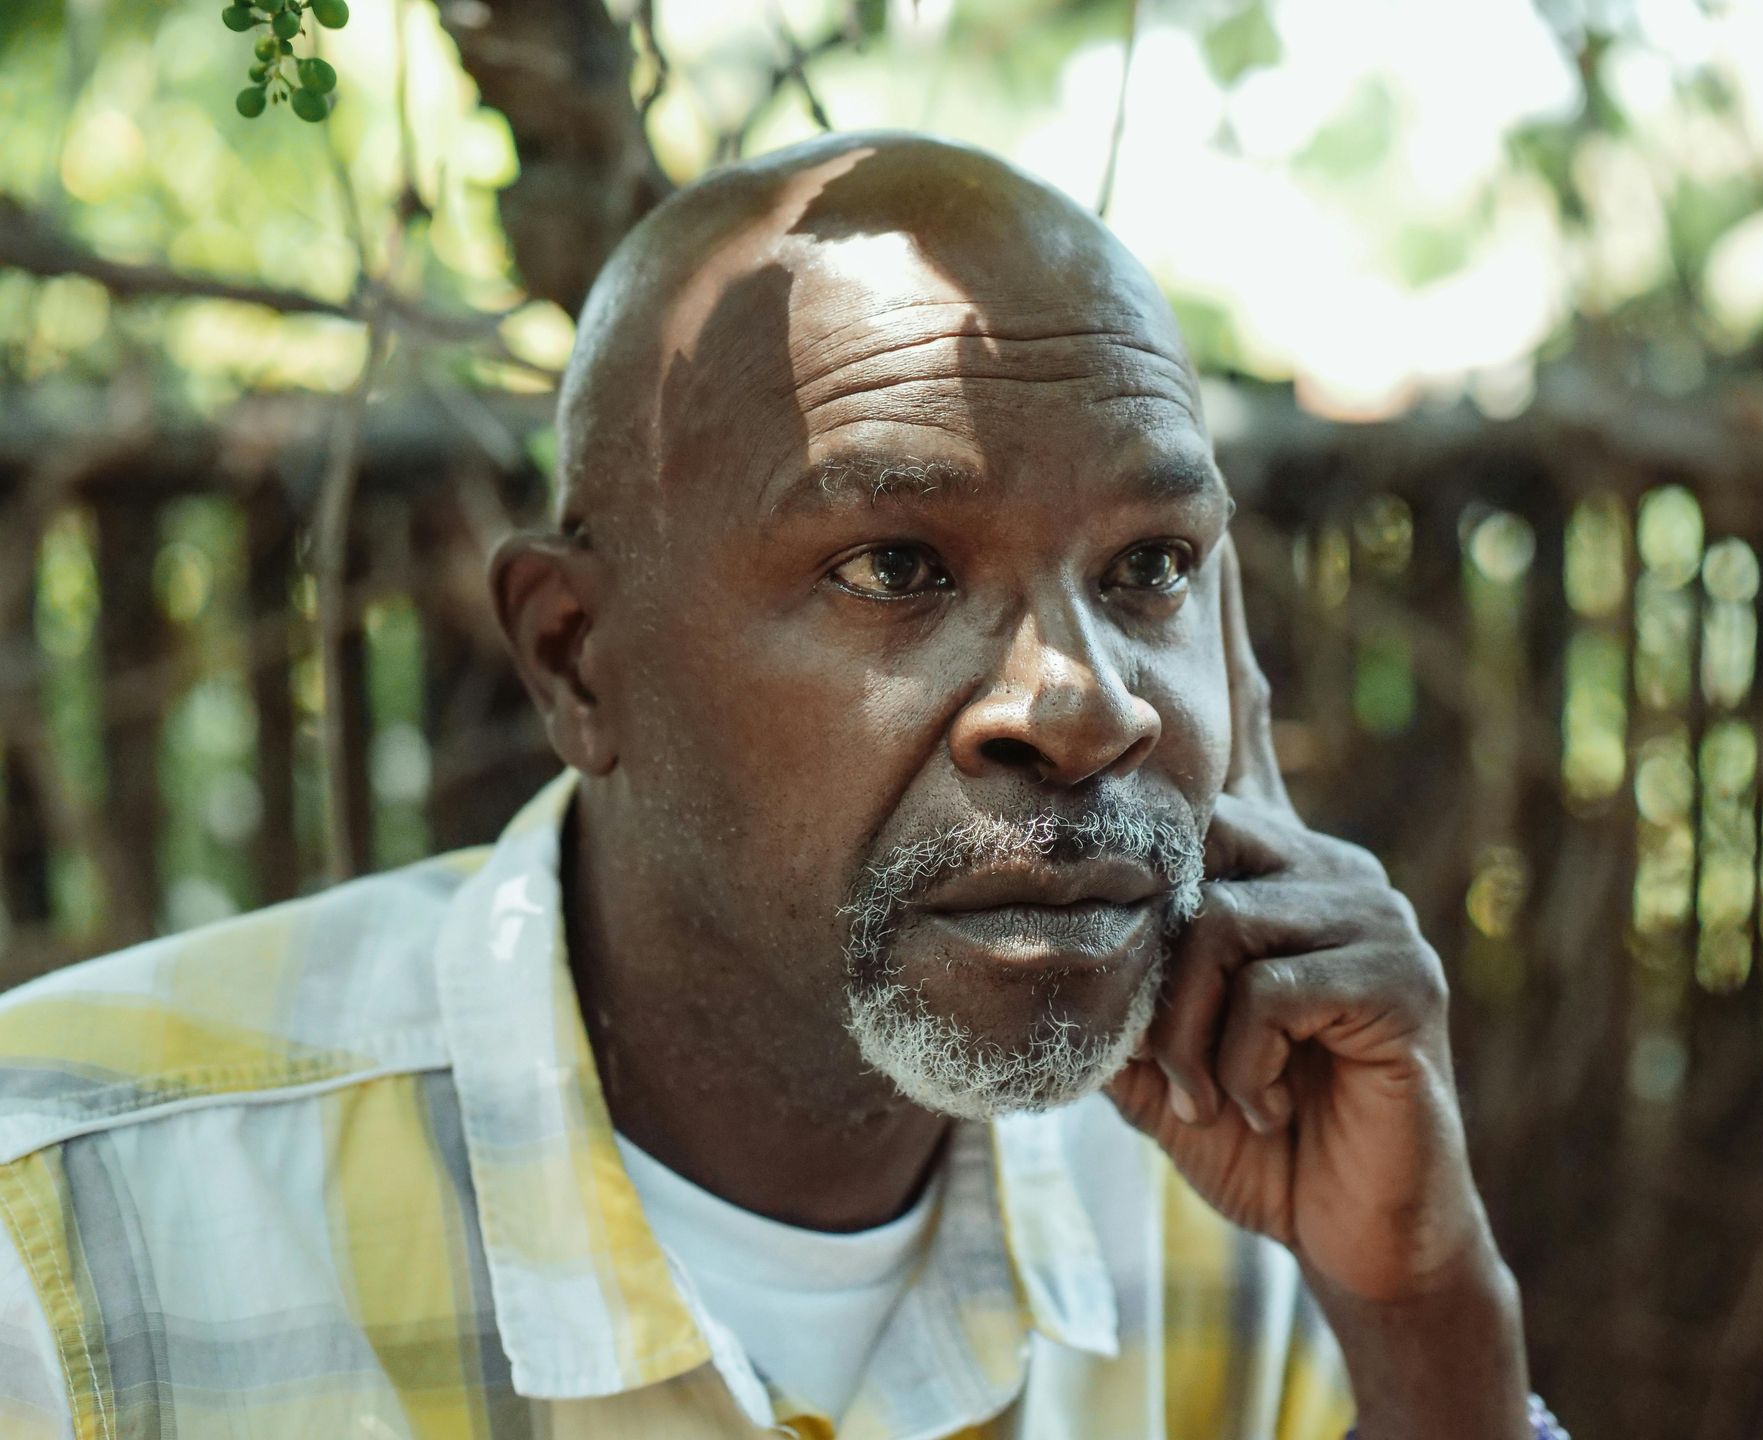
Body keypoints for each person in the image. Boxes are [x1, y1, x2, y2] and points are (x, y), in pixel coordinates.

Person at [0, 132, 1565, 1440]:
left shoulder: (1235, 1200)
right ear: (575, 661)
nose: (1083, 708)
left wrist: (1423, 1317)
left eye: (1152, 566)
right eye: (896, 565)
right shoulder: (79, 1244)